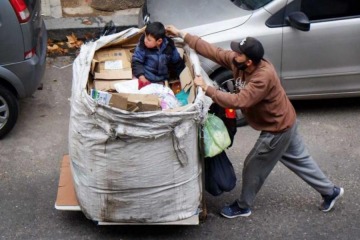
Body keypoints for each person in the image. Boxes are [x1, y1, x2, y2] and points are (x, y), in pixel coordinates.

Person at [166, 25, 344, 218]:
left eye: (239, 53)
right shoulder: (239, 62)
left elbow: (238, 101)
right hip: (286, 120)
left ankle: (243, 206)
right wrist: (181, 34)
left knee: (253, 166)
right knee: (301, 161)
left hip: (277, 128)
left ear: (249, 61)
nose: (234, 55)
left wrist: (207, 90)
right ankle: (330, 191)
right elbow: (214, 51)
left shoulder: (262, 77)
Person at [132, 22, 185, 89]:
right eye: (145, 36)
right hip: (146, 78)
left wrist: (182, 78)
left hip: (162, 80)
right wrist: (141, 77)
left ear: (159, 41)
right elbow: (136, 61)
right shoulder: (142, 46)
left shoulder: (169, 47)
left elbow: (177, 63)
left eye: (149, 40)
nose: (145, 40)